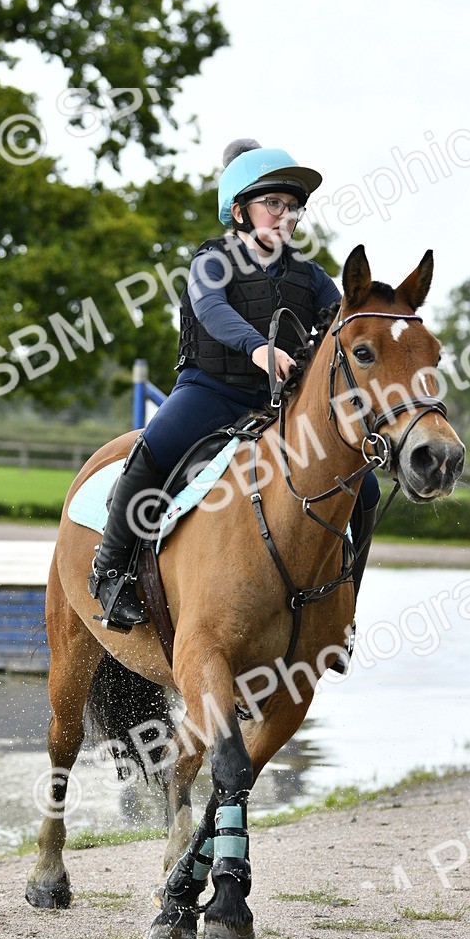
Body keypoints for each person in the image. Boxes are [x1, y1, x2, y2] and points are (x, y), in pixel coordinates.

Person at [88, 139, 380, 633]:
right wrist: (258, 347)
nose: (286, 216)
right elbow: (213, 311)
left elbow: (346, 321)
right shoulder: (211, 261)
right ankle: (111, 574)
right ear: (240, 210)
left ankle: (341, 605)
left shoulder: (310, 277)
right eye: (274, 205)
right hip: (210, 392)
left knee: (366, 487)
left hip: (276, 407)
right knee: (151, 452)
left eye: (294, 208)